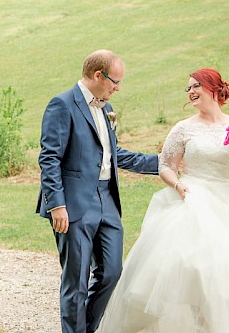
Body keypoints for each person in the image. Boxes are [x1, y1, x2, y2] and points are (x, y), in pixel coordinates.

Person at [97, 68, 229, 333]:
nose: (191, 92)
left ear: (215, 89)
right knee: (196, 268)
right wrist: (178, 184)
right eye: (188, 88)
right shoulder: (184, 129)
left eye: (196, 86)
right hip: (194, 200)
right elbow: (165, 166)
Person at [37, 50, 161, 333]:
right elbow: (49, 158)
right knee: (76, 281)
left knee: (112, 273)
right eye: (115, 81)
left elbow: (113, 154)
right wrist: (57, 204)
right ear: (98, 75)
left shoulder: (105, 109)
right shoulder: (62, 105)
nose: (117, 88)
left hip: (107, 200)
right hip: (73, 203)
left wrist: (161, 163)